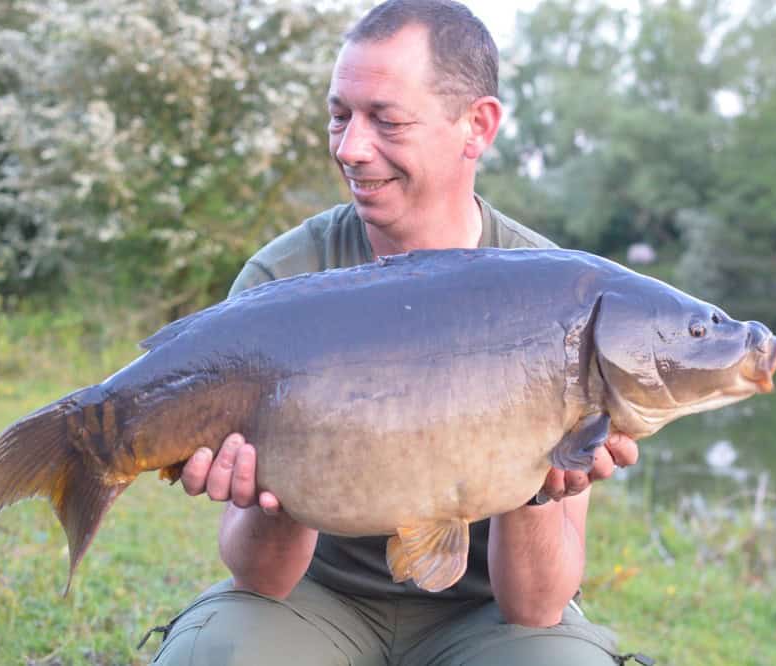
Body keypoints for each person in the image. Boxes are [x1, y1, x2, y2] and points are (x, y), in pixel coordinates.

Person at [148, 2, 642, 664]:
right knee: (219, 653)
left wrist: (544, 480)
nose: (351, 147)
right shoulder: (285, 278)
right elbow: (261, 578)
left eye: (386, 120)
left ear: (477, 125)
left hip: (485, 615)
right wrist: (269, 492)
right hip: (315, 599)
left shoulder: (557, 297)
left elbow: (536, 608)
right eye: (339, 115)